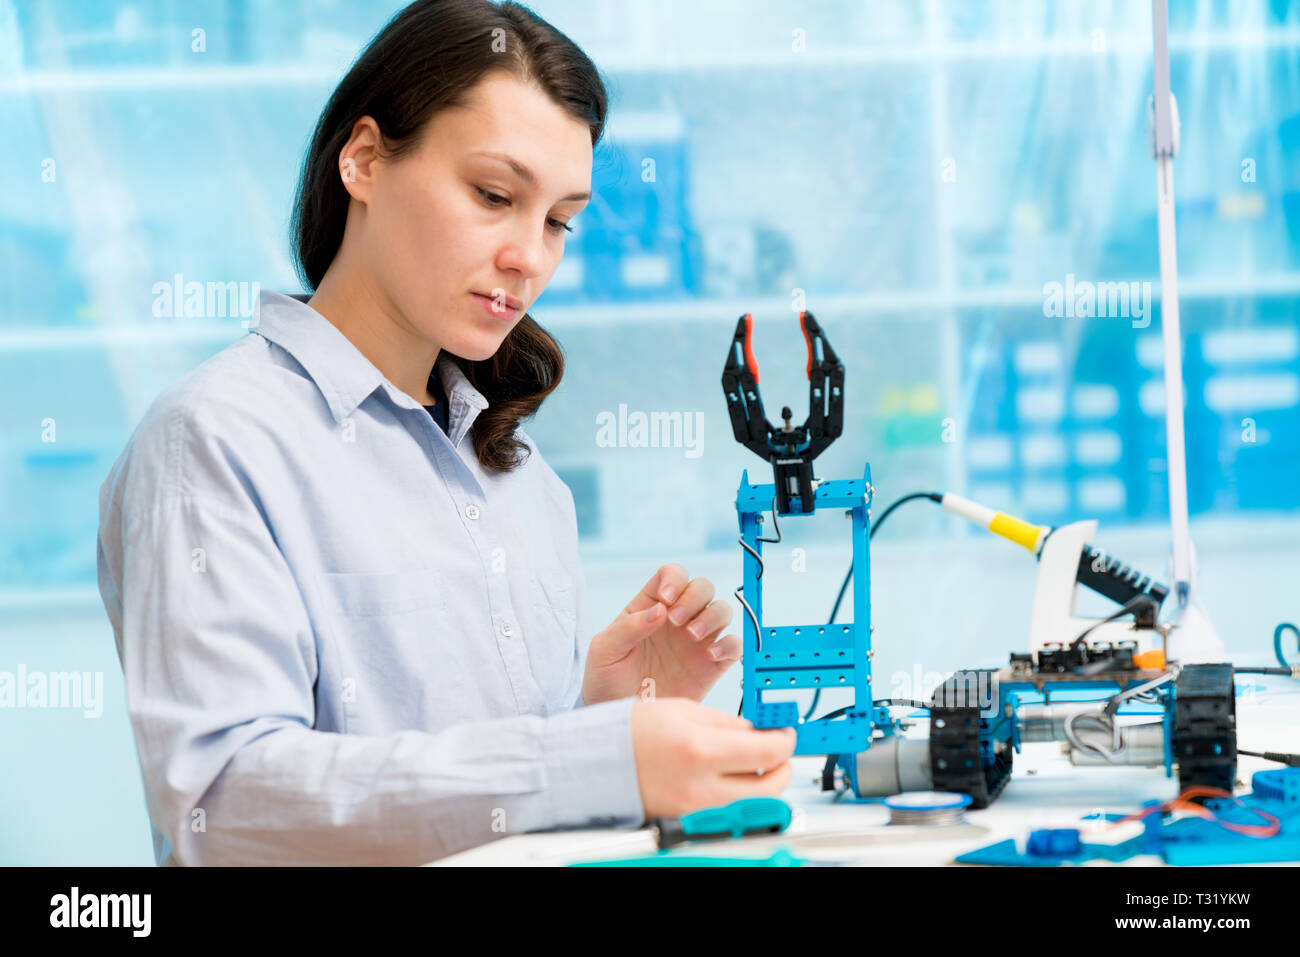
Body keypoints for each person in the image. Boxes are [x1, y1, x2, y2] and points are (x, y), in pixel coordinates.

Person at [96, 0, 794, 866]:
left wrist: (601, 711)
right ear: (363, 160)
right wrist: (589, 760)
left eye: (557, 220)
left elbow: (488, 799)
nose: (528, 256)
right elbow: (225, 800)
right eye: (494, 195)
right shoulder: (212, 442)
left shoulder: (522, 477)